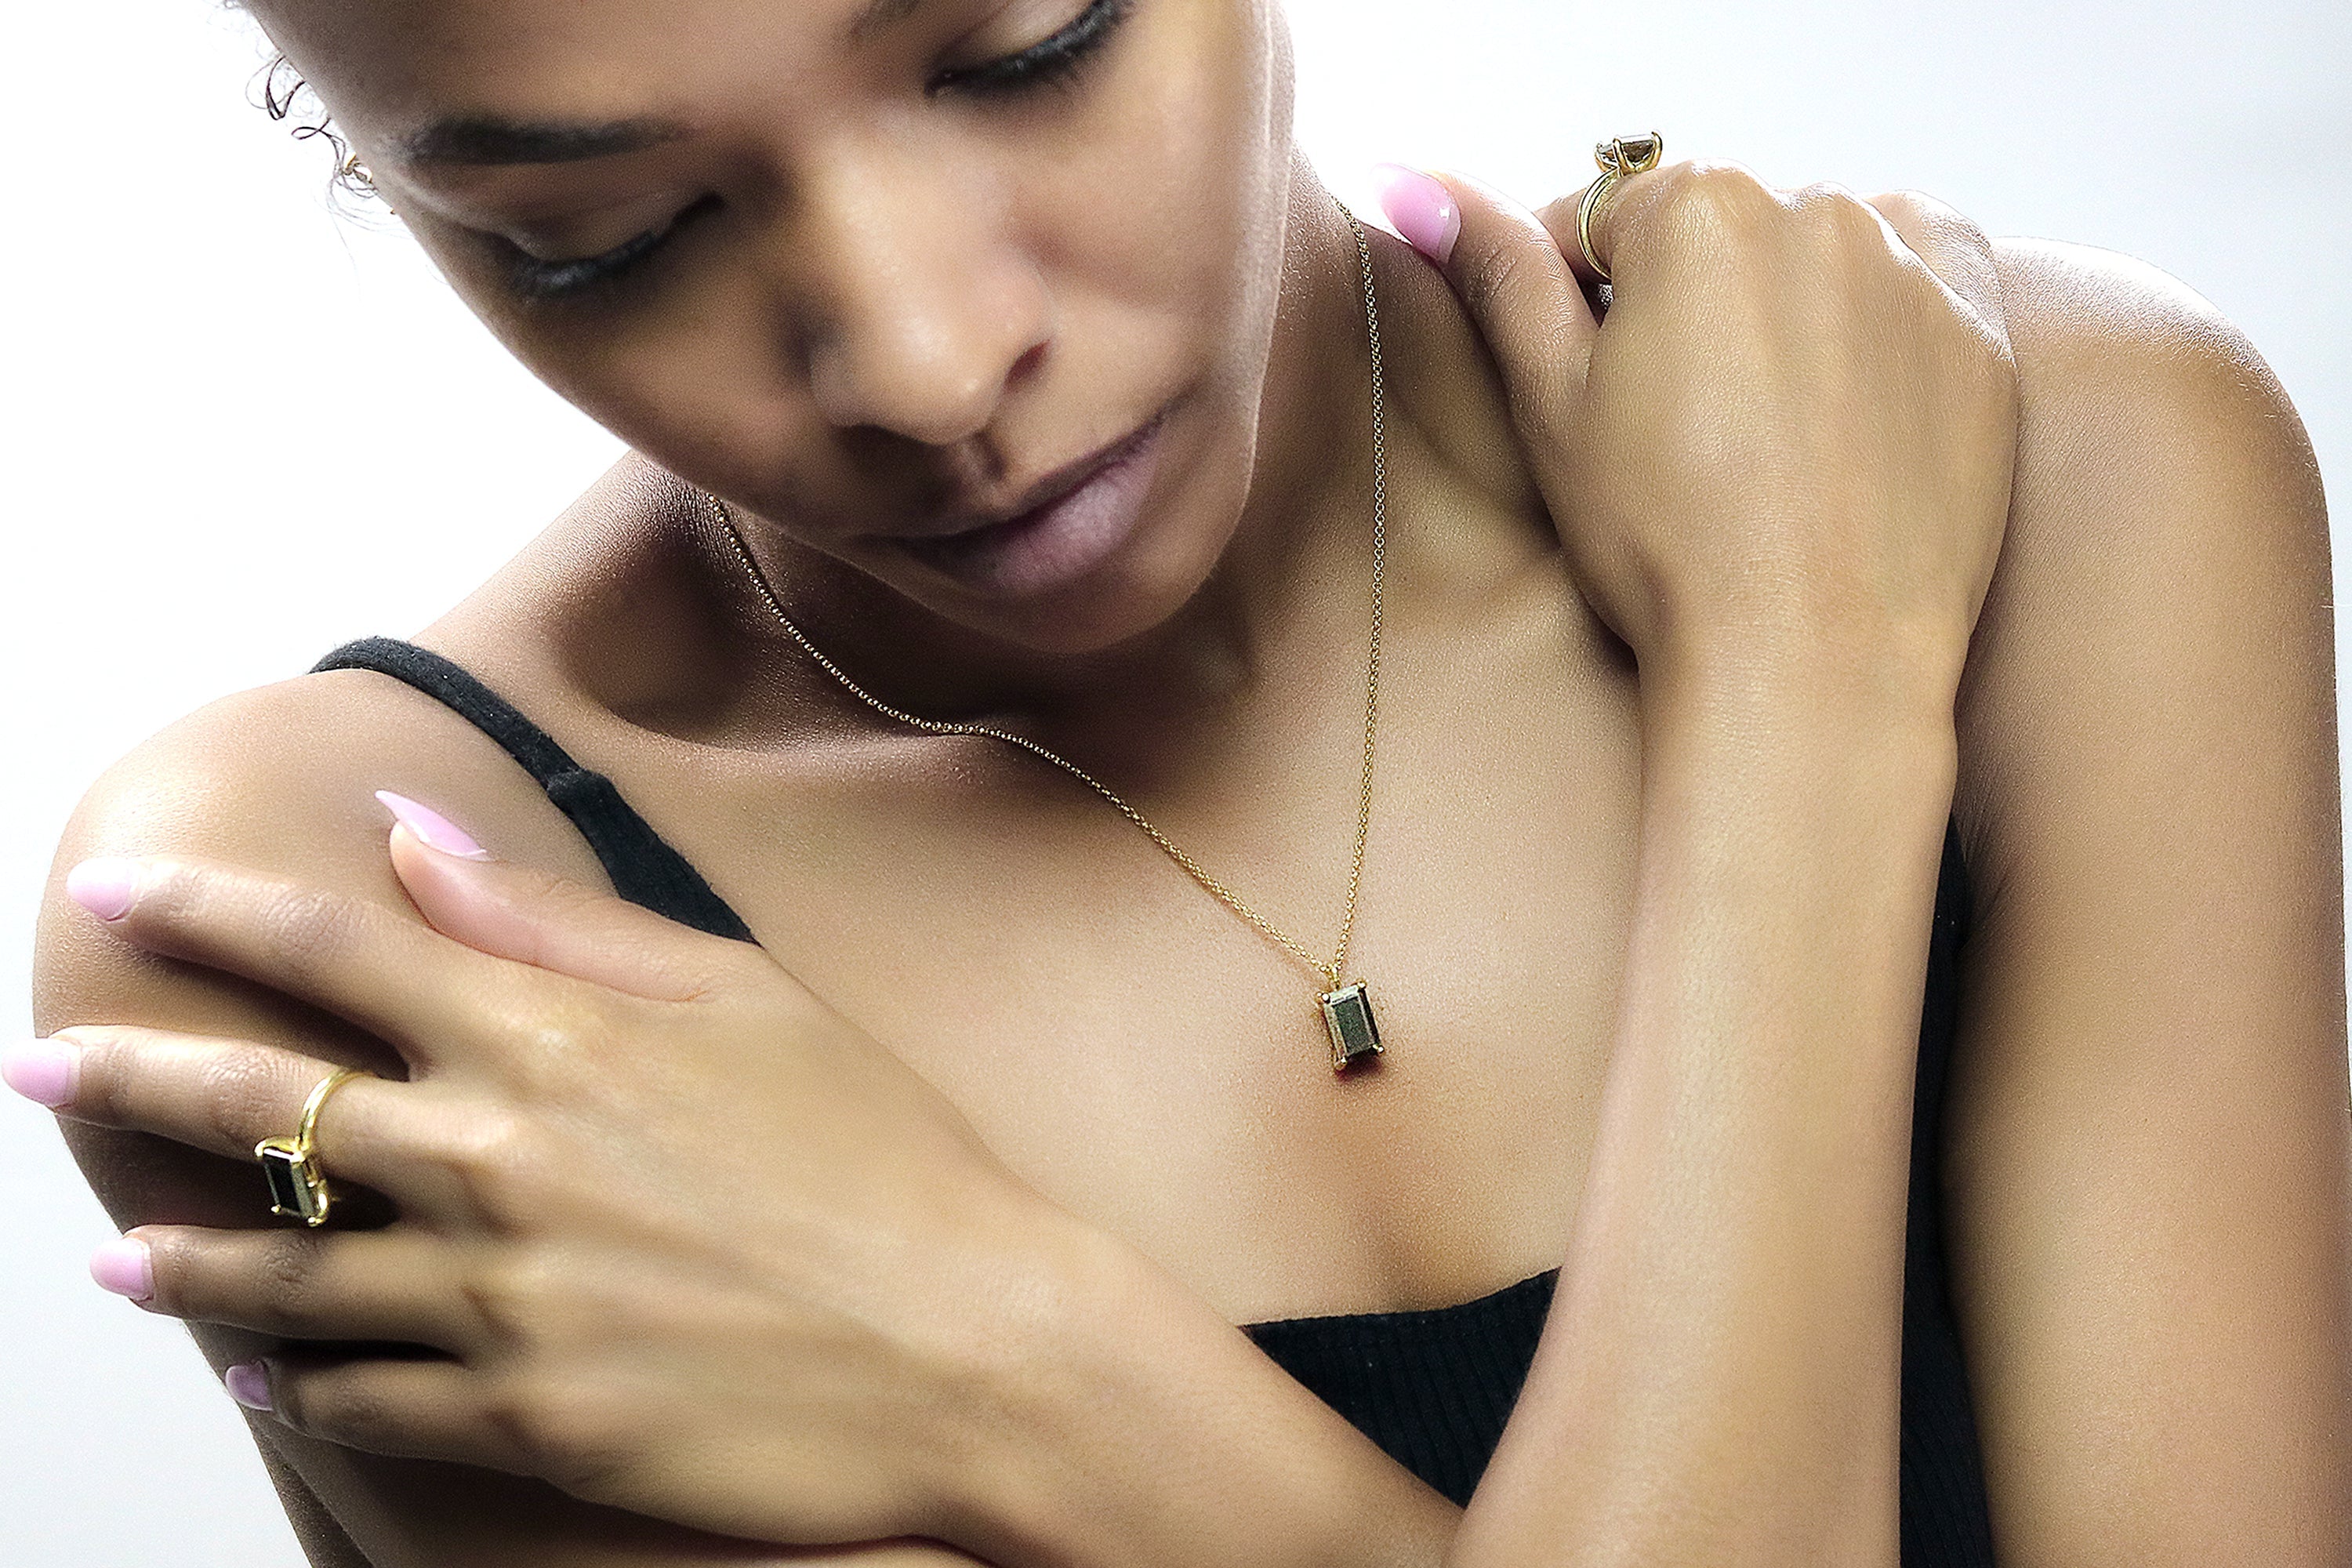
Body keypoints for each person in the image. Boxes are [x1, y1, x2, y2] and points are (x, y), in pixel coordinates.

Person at [8, 0, 2345, 1563]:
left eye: (1028, 41)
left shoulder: (2066, 480)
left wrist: (1024, 1380)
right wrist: (1816, 698)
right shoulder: (361, 932)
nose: (932, 356)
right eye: (609, 237)